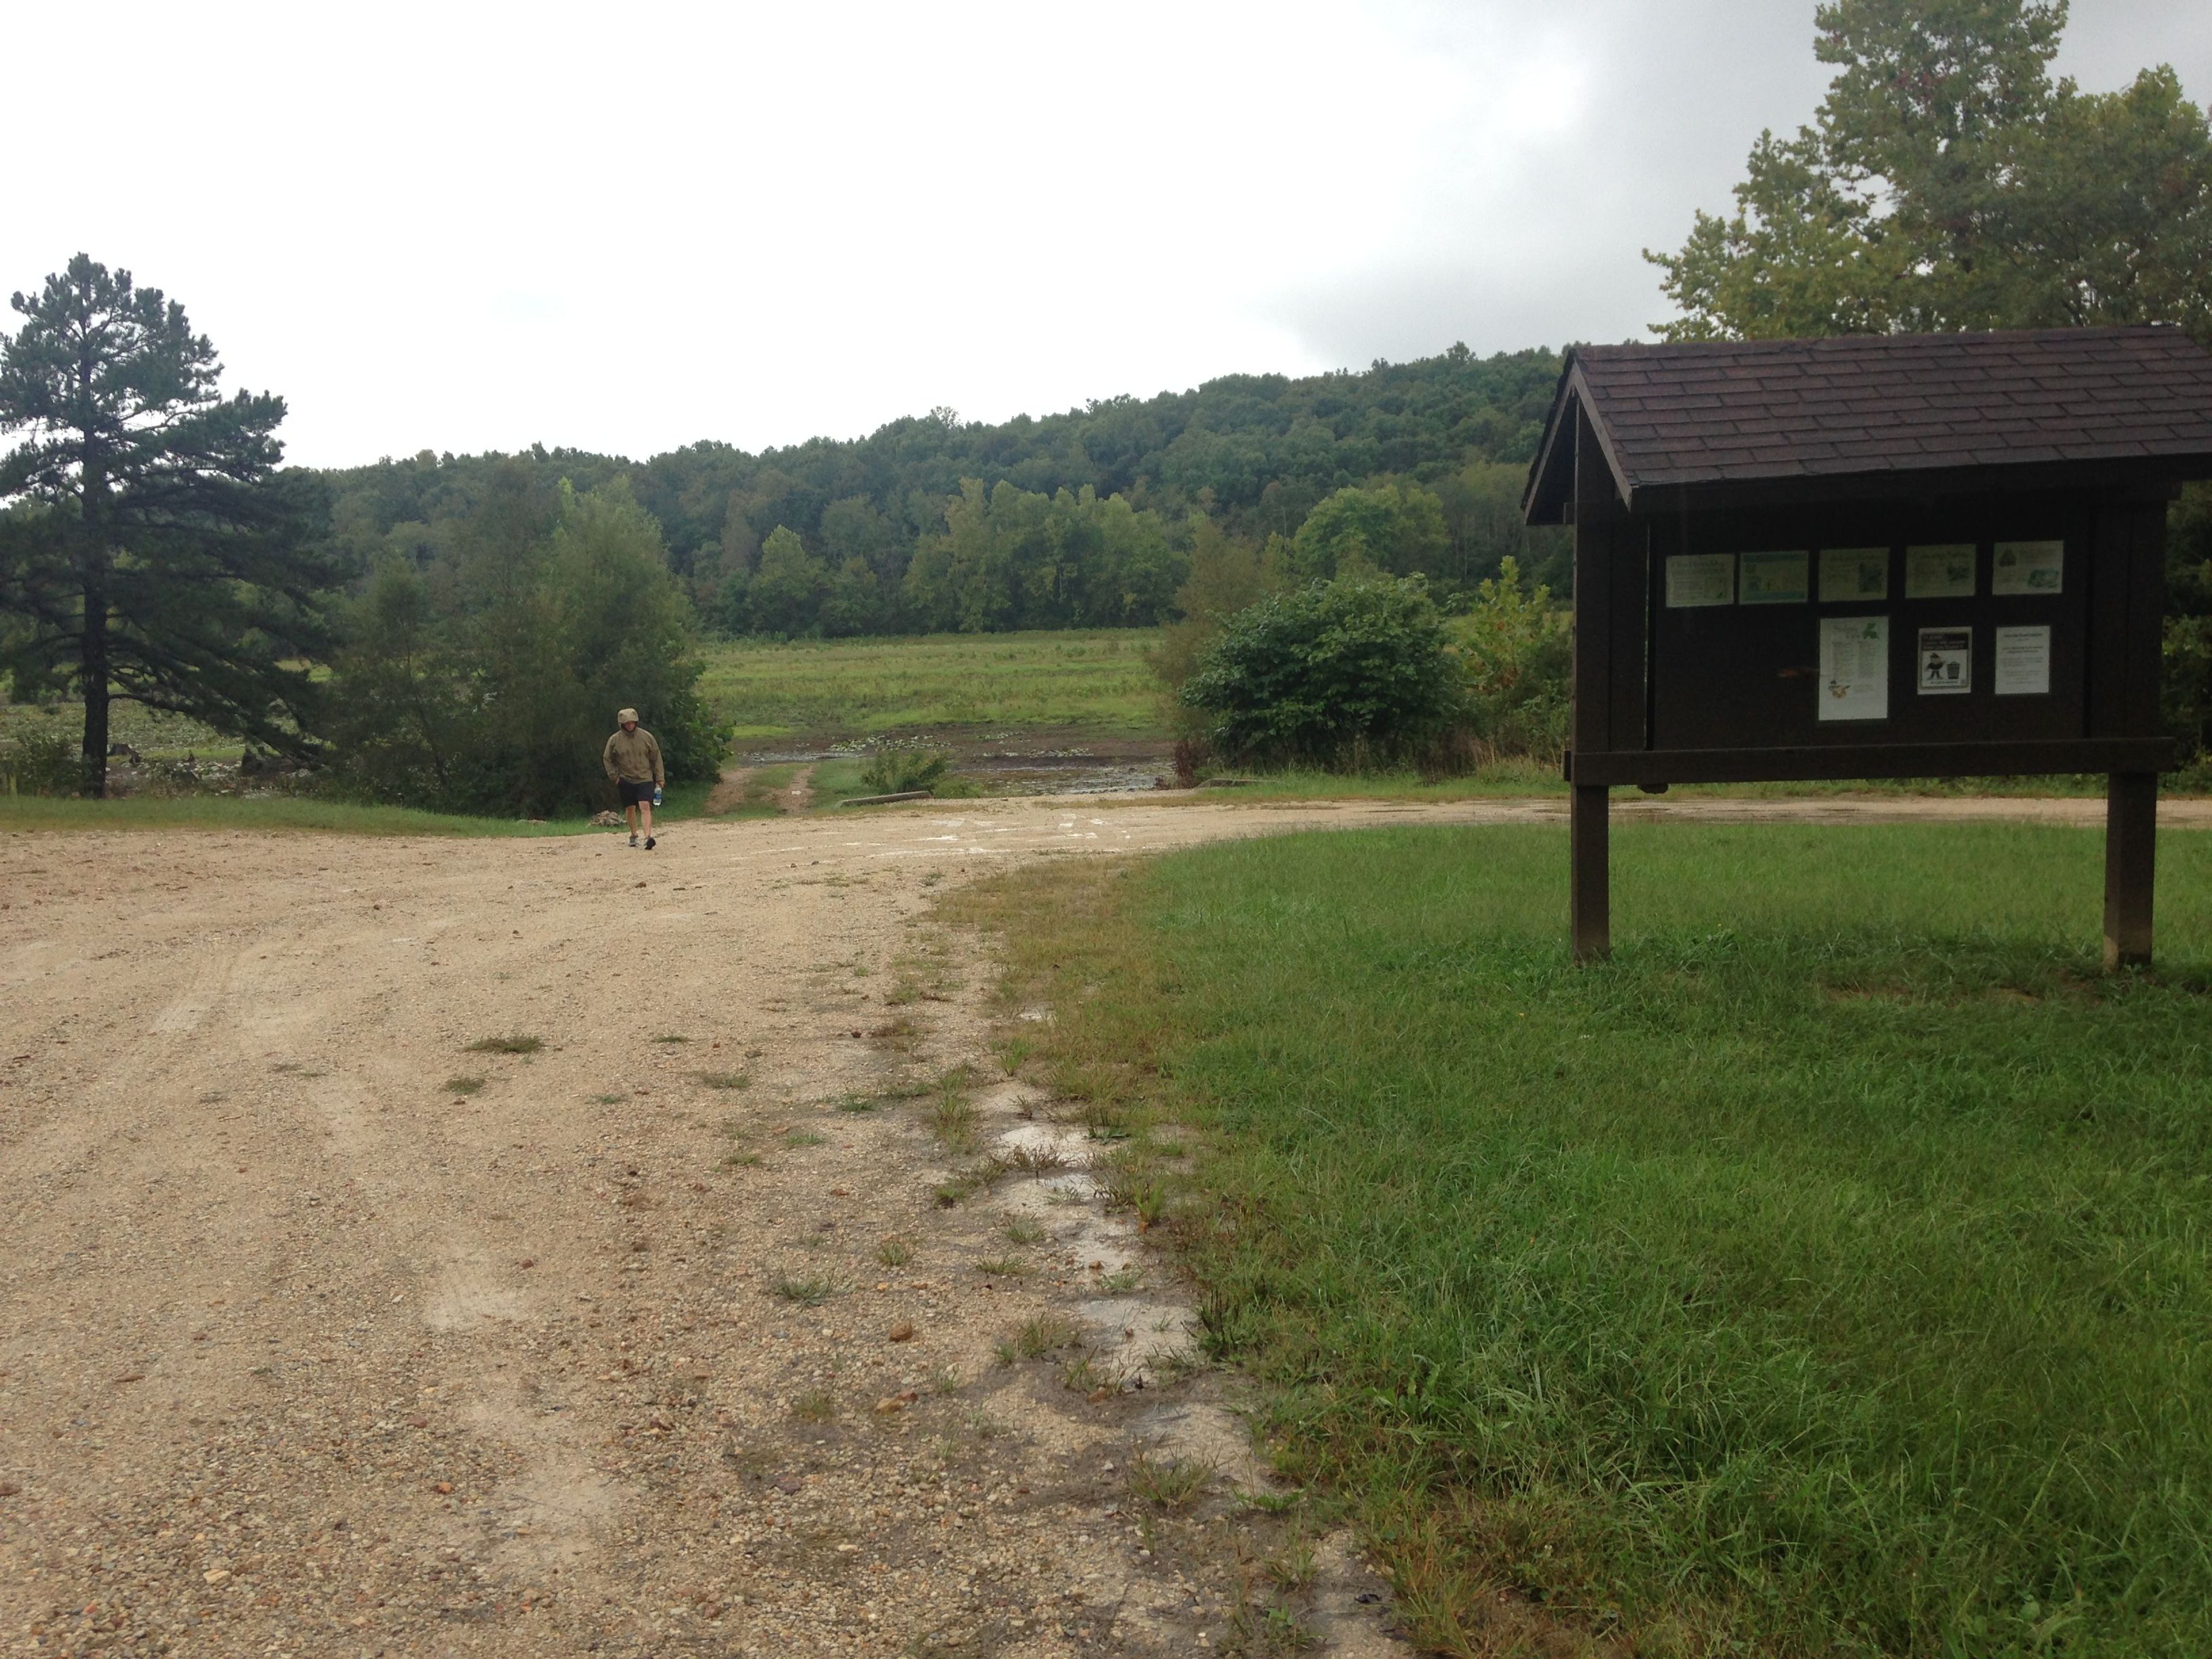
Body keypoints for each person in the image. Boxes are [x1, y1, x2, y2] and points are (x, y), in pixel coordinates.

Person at [603, 707, 664, 850]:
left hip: (645, 778)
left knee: (645, 806)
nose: (630, 725)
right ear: (622, 724)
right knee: (630, 808)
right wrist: (614, 777)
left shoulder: (647, 737)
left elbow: (656, 758)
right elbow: (607, 758)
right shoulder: (615, 740)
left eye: (632, 723)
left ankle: (648, 837)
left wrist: (660, 777)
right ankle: (633, 834)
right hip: (625, 779)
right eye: (627, 723)